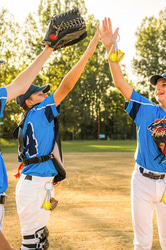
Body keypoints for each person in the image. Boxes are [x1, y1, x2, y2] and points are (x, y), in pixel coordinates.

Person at [97, 17, 166, 250]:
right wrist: (111, 49)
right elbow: (120, 83)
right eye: (157, 84)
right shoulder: (146, 109)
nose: (159, 87)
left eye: (165, 85)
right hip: (141, 180)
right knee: (142, 242)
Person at [15, 32, 99, 250]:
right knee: (33, 245)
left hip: (38, 184)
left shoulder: (30, 117)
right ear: (28, 100)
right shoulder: (39, 111)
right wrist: (88, 52)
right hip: (34, 187)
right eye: (40, 93)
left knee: (39, 242)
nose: (45, 96)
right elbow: (66, 86)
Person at [0, 47, 54, 250]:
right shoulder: (37, 114)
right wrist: (50, 47)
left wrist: (50, 47)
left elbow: (21, 86)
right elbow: (21, 86)